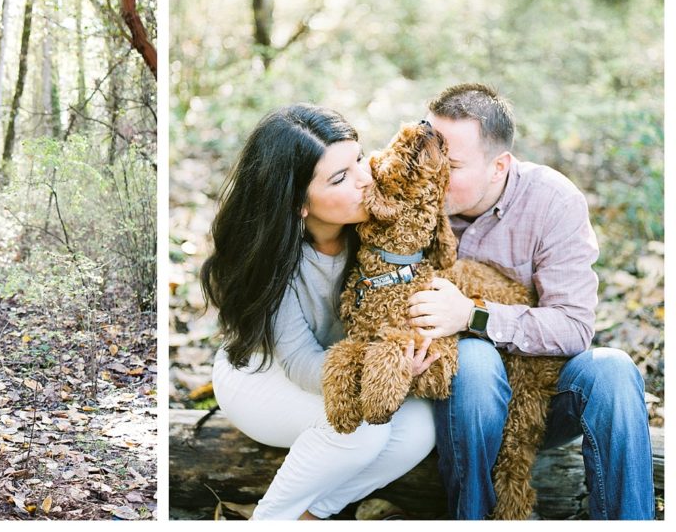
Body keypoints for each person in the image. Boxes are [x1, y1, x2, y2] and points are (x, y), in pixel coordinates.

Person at [407, 83, 654, 519]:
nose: (432, 172)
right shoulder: (407, 198)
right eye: (431, 154)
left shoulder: (553, 201)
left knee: (613, 370)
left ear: (499, 165)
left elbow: (574, 327)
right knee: (476, 364)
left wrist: (472, 314)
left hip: (540, 398)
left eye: (453, 163)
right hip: (445, 402)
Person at [201, 104, 440, 520]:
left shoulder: (380, 231)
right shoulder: (275, 260)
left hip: (348, 369)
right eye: (341, 177)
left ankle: (313, 514)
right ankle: (271, 519)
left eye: (360, 159)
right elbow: (299, 361)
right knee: (360, 429)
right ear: (298, 204)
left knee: (423, 425)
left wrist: (403, 361)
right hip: (261, 375)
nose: (366, 178)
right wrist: (378, 372)